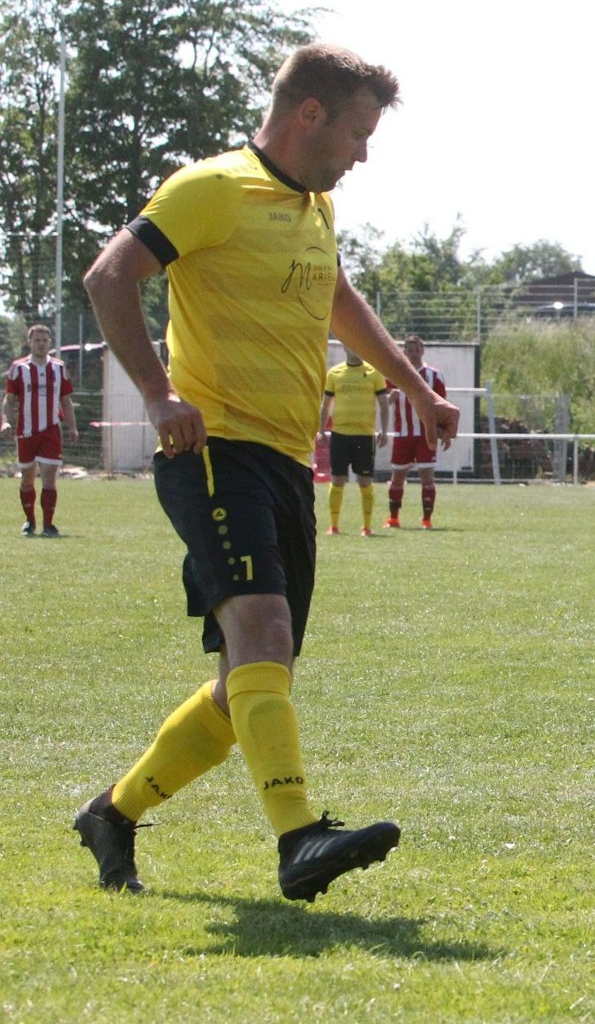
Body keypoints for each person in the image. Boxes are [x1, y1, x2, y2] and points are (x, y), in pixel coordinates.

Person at [75, 43, 461, 899]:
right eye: (359, 132)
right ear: (310, 115)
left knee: (250, 680)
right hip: (213, 450)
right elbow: (110, 276)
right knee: (263, 639)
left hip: (288, 461)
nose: (364, 153)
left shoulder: (315, 205)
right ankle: (298, 838)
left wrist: (412, 387)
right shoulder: (210, 189)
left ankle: (113, 812)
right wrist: (158, 393)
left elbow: (338, 300)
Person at [6, 323, 77, 537]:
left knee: (49, 477)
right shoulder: (19, 368)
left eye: (44, 340)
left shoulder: (59, 367)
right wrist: (5, 421)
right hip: (26, 431)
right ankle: (30, 521)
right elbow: (9, 400)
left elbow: (66, 400)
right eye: (37, 340)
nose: (41, 344)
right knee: (27, 478)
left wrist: (72, 426)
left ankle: (48, 525)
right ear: (30, 342)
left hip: (51, 430)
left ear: (50, 343)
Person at [319, 351, 389, 536]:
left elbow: (383, 403)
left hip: (364, 436)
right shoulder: (335, 373)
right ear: (345, 347)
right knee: (337, 480)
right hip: (340, 434)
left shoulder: (374, 373)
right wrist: (321, 430)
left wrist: (384, 431)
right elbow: (326, 404)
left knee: (365, 481)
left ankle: (367, 527)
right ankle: (333, 526)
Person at [383, 335, 448, 529]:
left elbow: (442, 404)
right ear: (405, 352)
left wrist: (444, 431)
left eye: (417, 349)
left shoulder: (433, 375)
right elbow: (384, 399)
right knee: (397, 477)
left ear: (423, 351)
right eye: (410, 350)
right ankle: (393, 518)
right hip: (403, 434)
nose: (414, 353)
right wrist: (390, 397)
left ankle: (427, 520)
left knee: (427, 477)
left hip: (425, 434)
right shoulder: (395, 374)